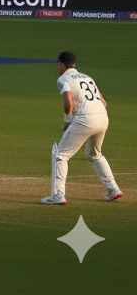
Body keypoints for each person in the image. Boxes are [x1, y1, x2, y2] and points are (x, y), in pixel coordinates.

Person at [42, 51, 122, 204]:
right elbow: (104, 103)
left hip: (85, 119)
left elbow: (69, 101)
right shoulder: (87, 77)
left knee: (61, 155)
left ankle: (58, 195)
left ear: (61, 64)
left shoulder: (63, 78)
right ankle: (113, 189)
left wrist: (67, 121)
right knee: (94, 154)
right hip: (102, 118)